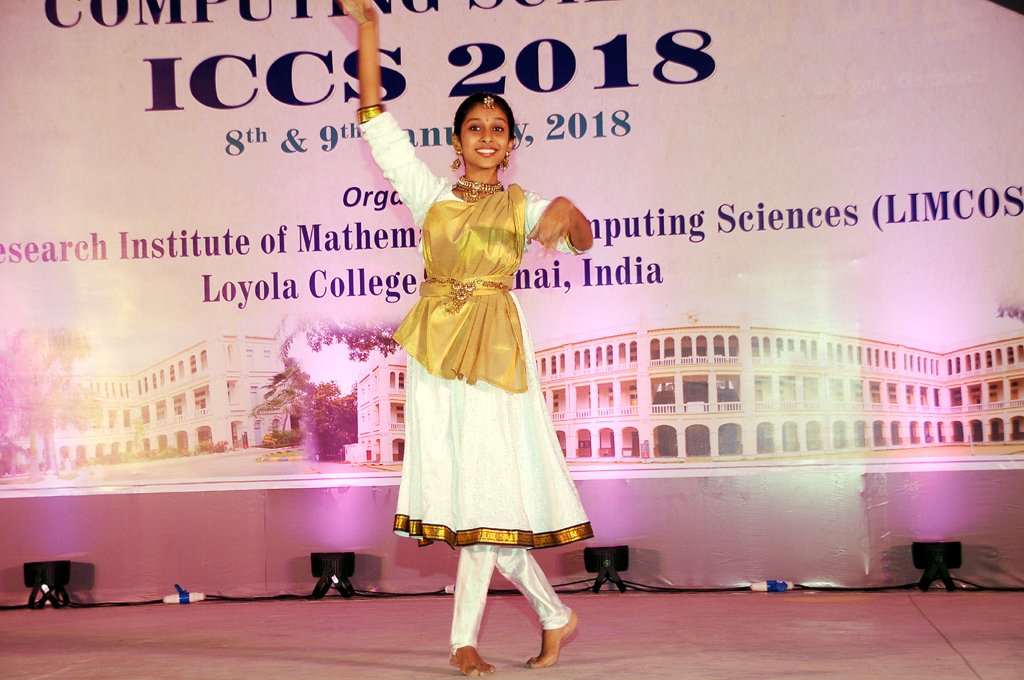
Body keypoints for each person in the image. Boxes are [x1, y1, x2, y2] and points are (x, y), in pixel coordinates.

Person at [337, 1, 595, 675]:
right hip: (436, 356)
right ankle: (553, 616)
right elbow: (376, 123)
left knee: (484, 495)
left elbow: (581, 238)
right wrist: (369, 30)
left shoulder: (523, 205)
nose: (486, 136)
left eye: (497, 129)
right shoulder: (432, 198)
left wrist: (569, 211)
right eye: (475, 127)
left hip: (496, 358)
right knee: (475, 500)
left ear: (511, 145)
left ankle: (465, 641)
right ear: (457, 141)